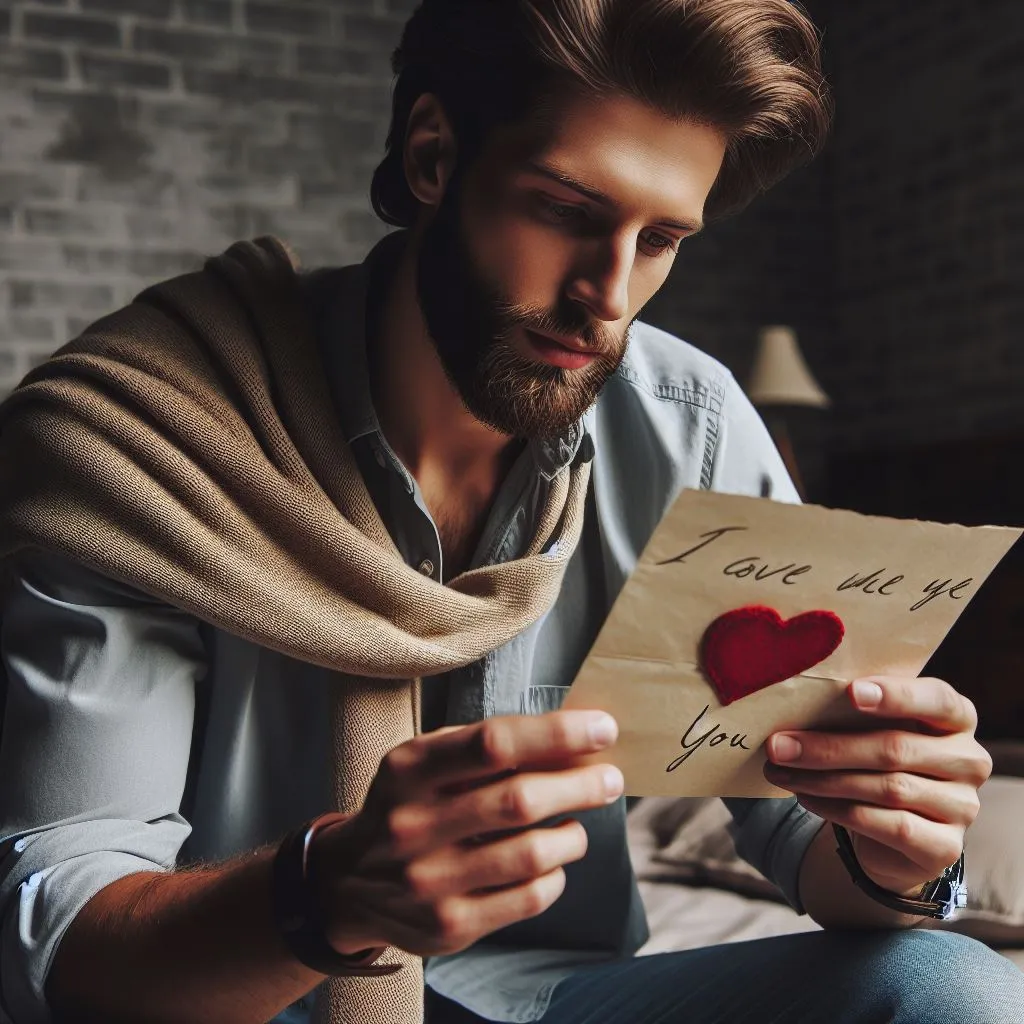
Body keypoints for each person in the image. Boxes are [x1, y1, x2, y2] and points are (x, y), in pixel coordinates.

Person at [0, 1, 1021, 1022]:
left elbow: (794, 835)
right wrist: (325, 893)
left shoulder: (691, 426)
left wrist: (895, 854)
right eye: (567, 209)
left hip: (552, 997)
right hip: (251, 1000)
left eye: (660, 239)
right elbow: (66, 936)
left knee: (952, 987)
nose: (607, 297)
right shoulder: (145, 441)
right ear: (434, 156)